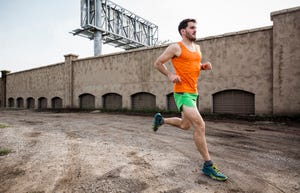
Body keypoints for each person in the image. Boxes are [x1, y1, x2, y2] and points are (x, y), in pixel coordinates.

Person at [152, 18, 228, 181]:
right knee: (200, 124)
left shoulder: (197, 48)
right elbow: (158, 63)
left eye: (195, 28)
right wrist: (170, 74)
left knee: (185, 125)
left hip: (193, 92)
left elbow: (191, 64)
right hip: (182, 92)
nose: (195, 30)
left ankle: (161, 121)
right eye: (192, 28)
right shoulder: (175, 47)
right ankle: (208, 165)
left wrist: (202, 66)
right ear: (183, 31)